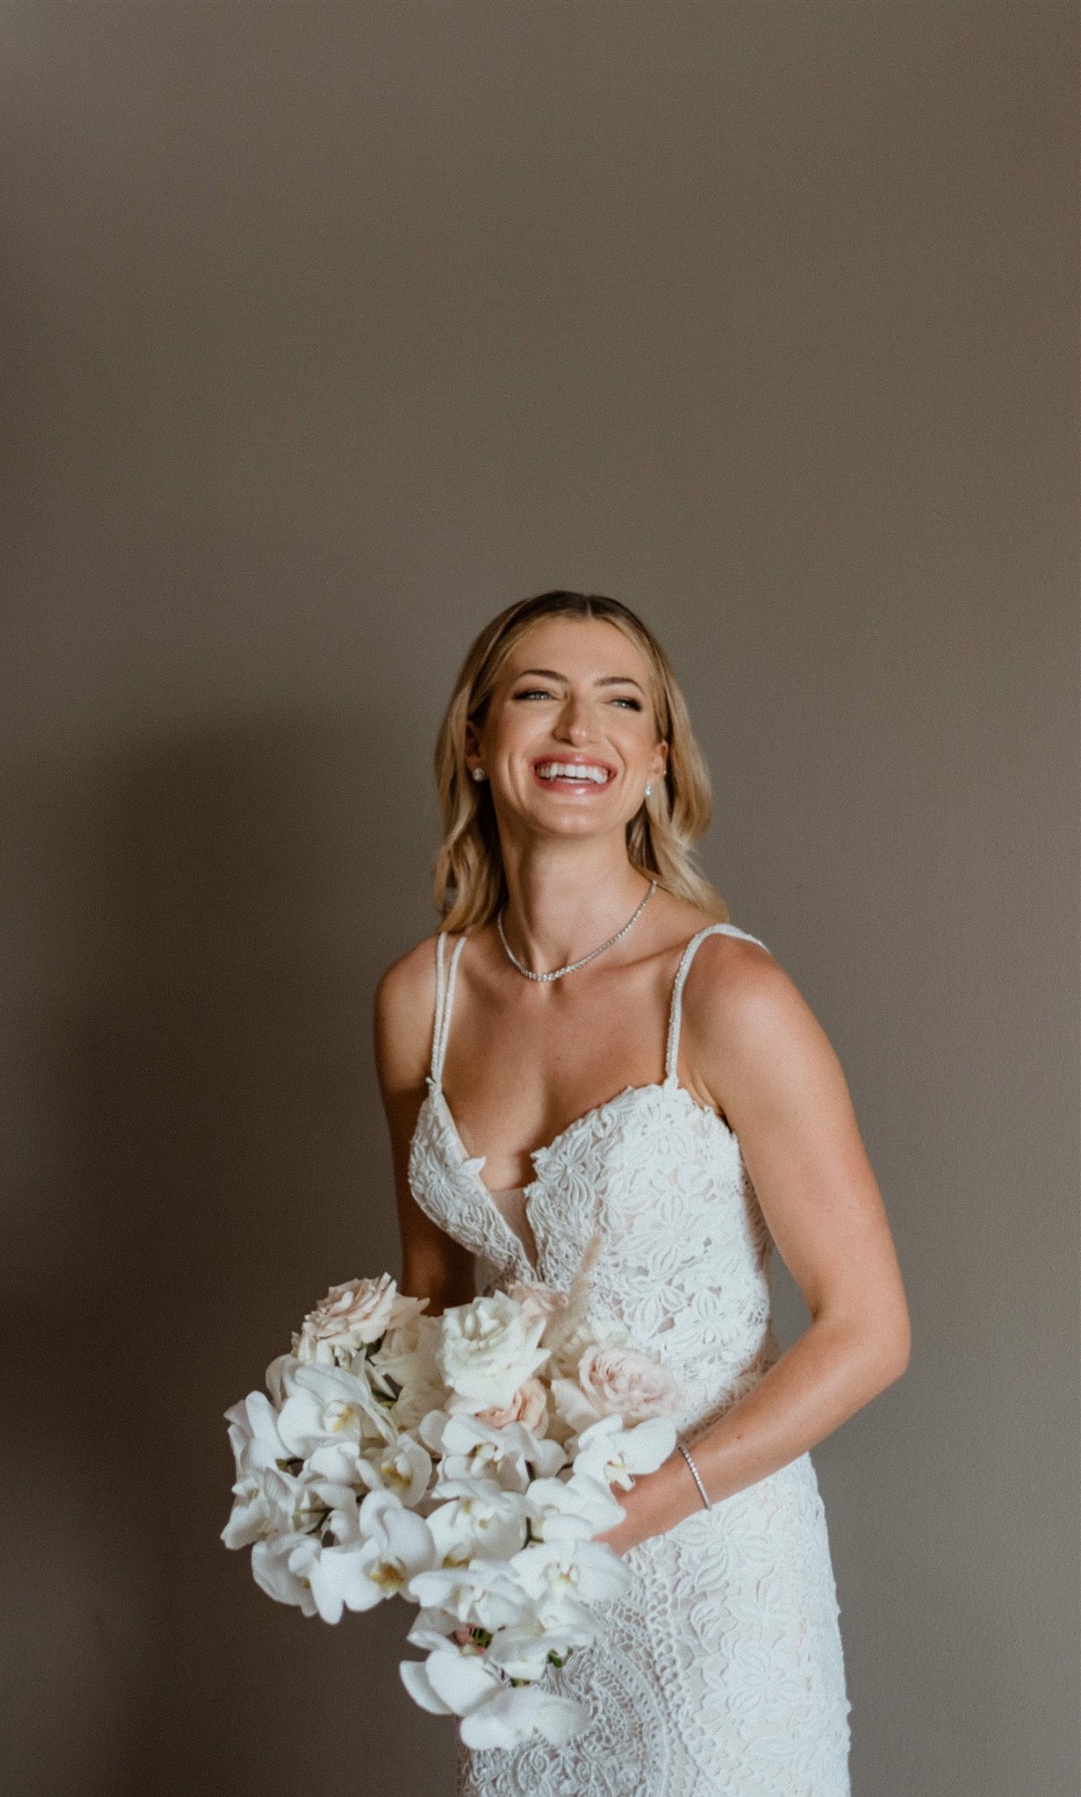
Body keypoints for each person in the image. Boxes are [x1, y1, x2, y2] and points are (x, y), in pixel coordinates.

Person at [374, 590, 910, 1797]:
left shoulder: (726, 996)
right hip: (526, 1593)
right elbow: (434, 1298)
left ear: (656, 763)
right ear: (476, 737)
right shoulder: (423, 999)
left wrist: (636, 1514)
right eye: (536, 694)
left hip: (715, 1569)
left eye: (622, 702)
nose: (580, 728)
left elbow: (872, 1330)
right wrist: (387, 1478)